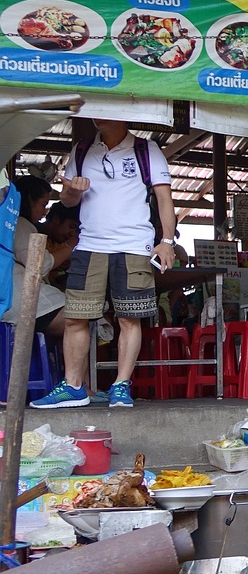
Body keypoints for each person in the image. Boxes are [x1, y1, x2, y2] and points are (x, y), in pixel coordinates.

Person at [32, 119, 176, 409]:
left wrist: (168, 242)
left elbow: (164, 198)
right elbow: (69, 201)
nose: (100, 116)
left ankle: (121, 386)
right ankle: (74, 387)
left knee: (129, 318)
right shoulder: (82, 149)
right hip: (89, 245)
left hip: (134, 245)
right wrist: (73, 190)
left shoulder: (146, 150)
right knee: (75, 317)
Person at [3, 175, 67, 339]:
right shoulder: (20, 224)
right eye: (43, 204)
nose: (45, 210)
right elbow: (40, 265)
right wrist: (71, 246)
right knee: (79, 321)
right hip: (20, 303)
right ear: (29, 199)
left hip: (13, 301)